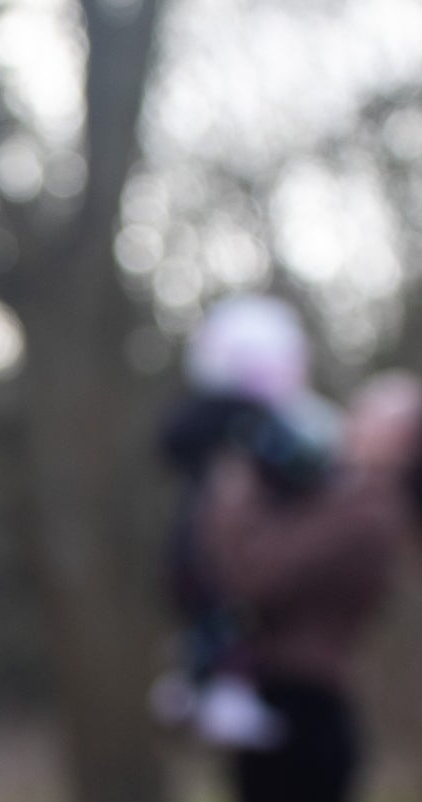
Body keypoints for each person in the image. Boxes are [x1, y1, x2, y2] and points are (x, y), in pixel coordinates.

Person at [199, 370, 422, 802]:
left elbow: (253, 575)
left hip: (301, 714)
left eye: (378, 410)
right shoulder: (339, 491)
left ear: (409, 443)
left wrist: (233, 485)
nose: (358, 413)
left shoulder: (371, 509)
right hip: (288, 707)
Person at [152, 295, 342, 748]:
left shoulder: (259, 423)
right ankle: (209, 684)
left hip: (222, 553)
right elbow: (301, 465)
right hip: (218, 550)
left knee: (222, 621)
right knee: (222, 619)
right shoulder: (236, 421)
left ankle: (204, 683)